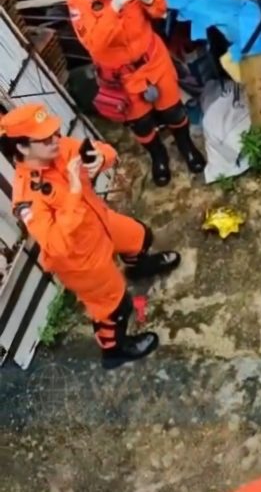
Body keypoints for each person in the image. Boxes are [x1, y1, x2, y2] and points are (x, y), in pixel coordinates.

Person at [0, 104, 181, 369]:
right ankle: (114, 350)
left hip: (99, 223)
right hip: (79, 258)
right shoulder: (27, 197)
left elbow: (100, 149)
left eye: (55, 132)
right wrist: (74, 190)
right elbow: (56, 245)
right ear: (23, 147)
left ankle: (138, 267)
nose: (55, 140)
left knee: (141, 236)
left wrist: (102, 157)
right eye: (45, 138)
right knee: (115, 307)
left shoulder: (59, 147)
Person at [65, 0, 206, 187]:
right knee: (140, 122)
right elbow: (94, 45)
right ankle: (158, 156)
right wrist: (113, 9)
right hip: (123, 76)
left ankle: (186, 147)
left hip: (153, 60)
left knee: (173, 110)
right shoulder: (78, 3)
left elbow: (160, 10)